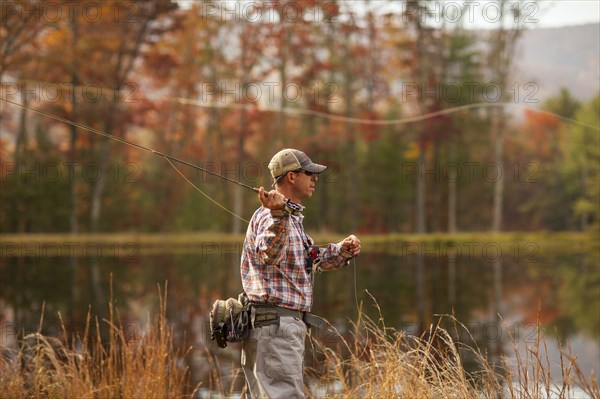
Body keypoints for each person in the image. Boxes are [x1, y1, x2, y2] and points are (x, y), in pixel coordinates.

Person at [240, 148, 361, 398]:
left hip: (277, 328)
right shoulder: (269, 215)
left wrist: (343, 250)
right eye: (310, 173)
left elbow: (309, 259)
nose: (315, 179)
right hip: (276, 328)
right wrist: (277, 215)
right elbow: (269, 255)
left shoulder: (290, 218)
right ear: (292, 177)